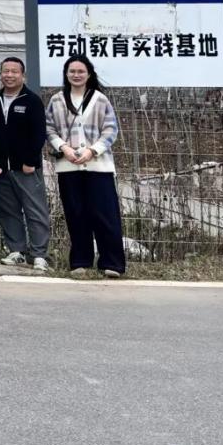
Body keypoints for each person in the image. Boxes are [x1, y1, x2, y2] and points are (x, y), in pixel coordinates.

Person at [45, 54, 125, 278]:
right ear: (66, 74)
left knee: (105, 215)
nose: (76, 75)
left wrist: (92, 150)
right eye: (72, 71)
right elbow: (49, 128)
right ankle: (80, 261)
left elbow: (111, 130)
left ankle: (112, 263)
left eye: (81, 71)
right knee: (76, 215)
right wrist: (64, 148)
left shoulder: (100, 99)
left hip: (98, 166)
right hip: (68, 166)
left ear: (89, 74)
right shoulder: (56, 100)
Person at [0, 56, 50, 271]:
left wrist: (30, 161)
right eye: (5, 71)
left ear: (23, 75)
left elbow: (39, 133)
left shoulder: (31, 100)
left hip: (26, 168)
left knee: (35, 211)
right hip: (0, 169)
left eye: (14, 71)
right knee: (8, 211)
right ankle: (17, 251)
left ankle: (39, 254)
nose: (9, 75)